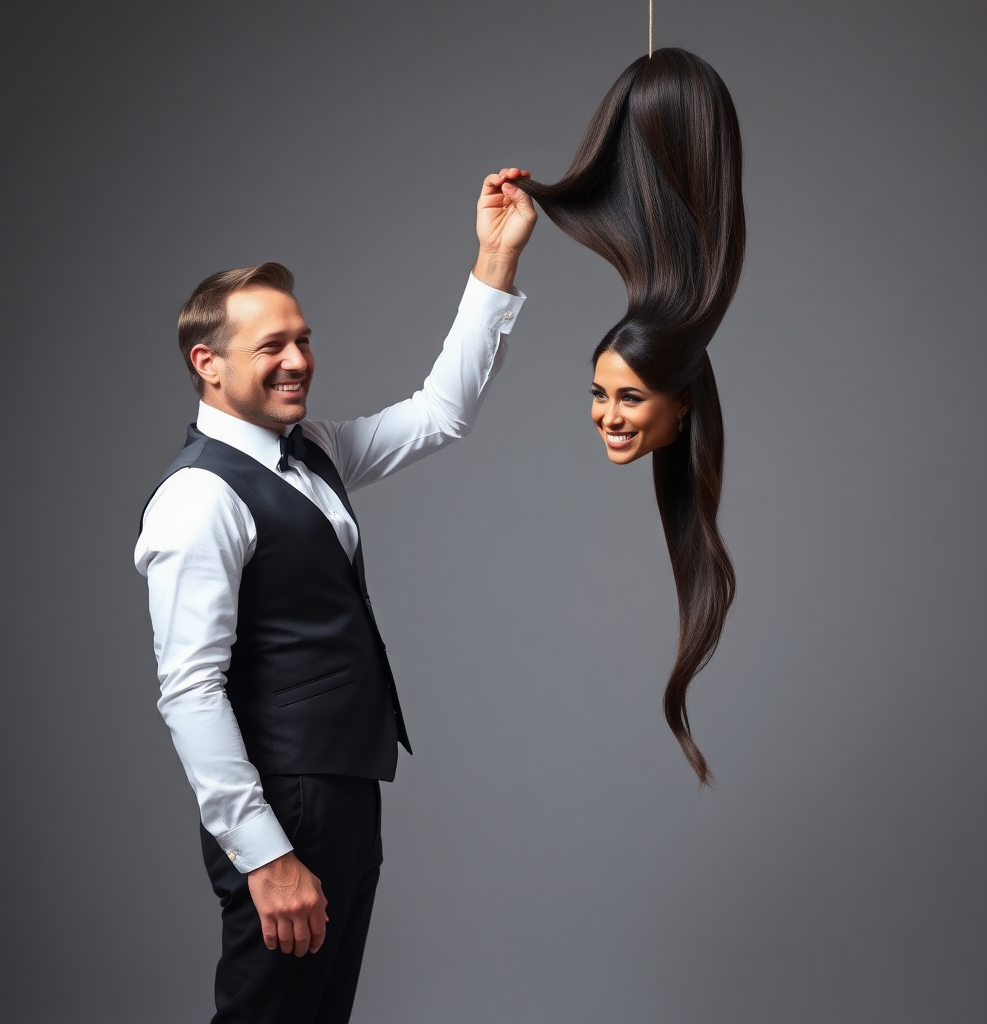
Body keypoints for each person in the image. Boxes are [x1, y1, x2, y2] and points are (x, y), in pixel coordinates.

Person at [134, 168, 536, 1023]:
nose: (299, 361)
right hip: (284, 804)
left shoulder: (308, 449)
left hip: (346, 789)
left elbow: (440, 415)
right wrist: (264, 854)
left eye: (303, 339)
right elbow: (190, 690)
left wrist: (494, 259)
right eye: (272, 345)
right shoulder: (199, 498)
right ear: (207, 364)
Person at [516, 49, 745, 785]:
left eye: (624, 397)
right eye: (601, 393)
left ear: (679, 407)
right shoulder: (688, 291)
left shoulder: (685, 291)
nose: (606, 417)